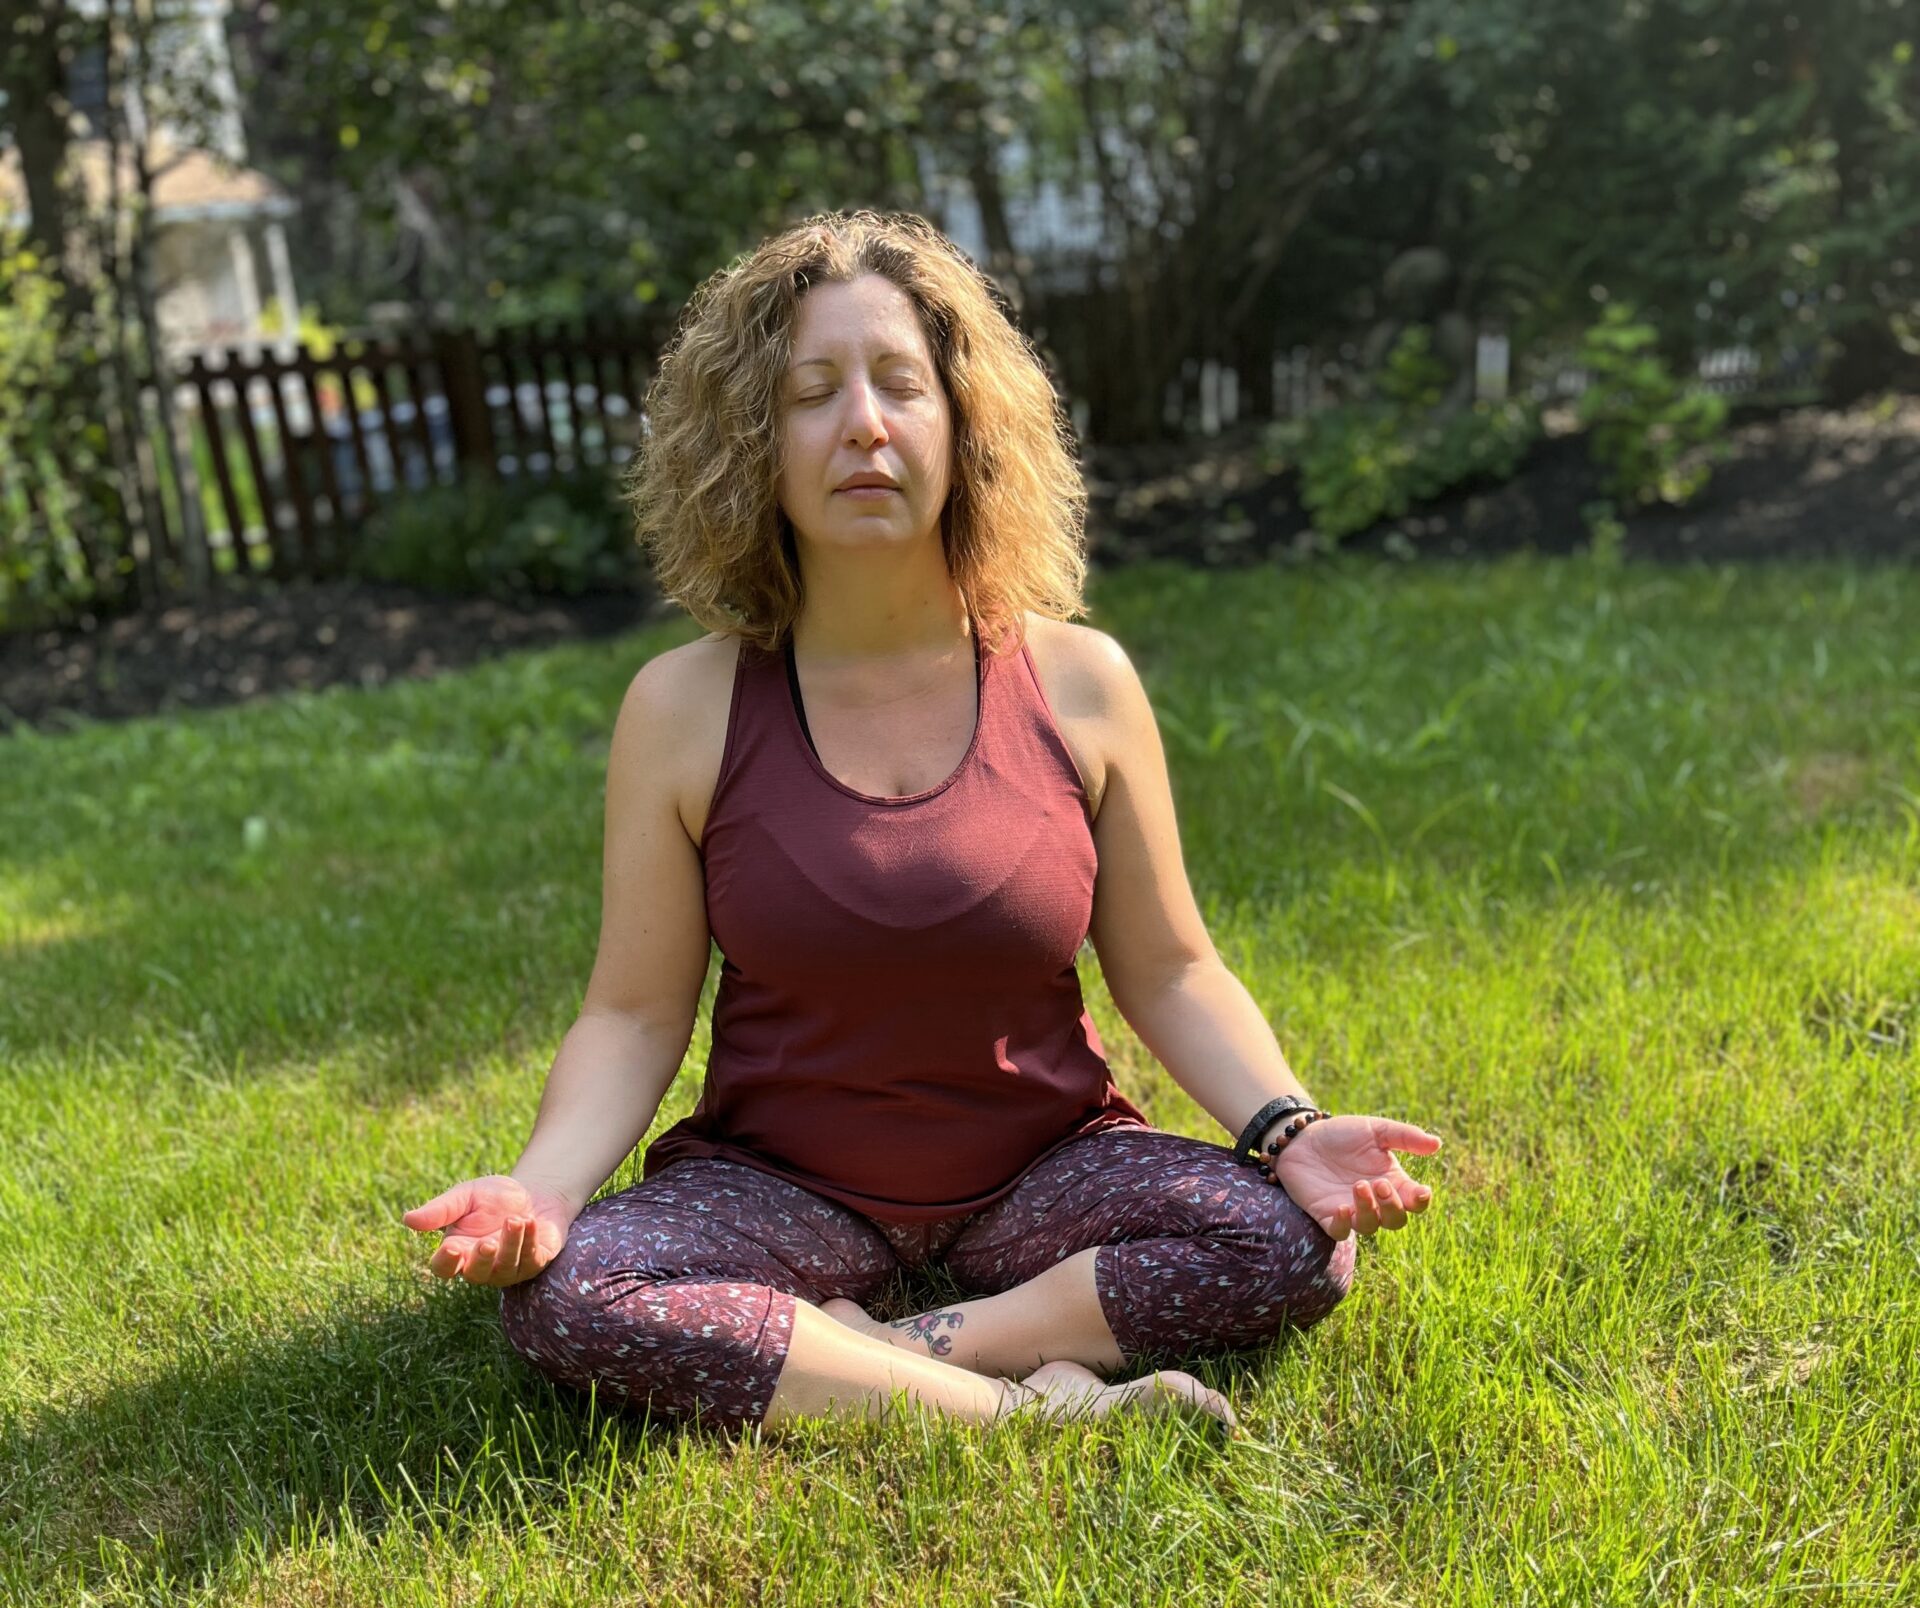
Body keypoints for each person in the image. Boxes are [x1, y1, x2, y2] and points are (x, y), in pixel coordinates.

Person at [403, 209, 1441, 1438]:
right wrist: (543, 1191)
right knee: (566, 1300)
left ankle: (876, 1360)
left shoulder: (1082, 681)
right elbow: (633, 1013)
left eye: (902, 384)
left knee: (1288, 1241)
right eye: (811, 394)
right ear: (753, 444)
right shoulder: (681, 708)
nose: (863, 425)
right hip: (779, 1189)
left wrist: (1293, 1129)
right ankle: (1028, 1420)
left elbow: (1171, 966)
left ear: (962, 427)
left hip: (1043, 1175)